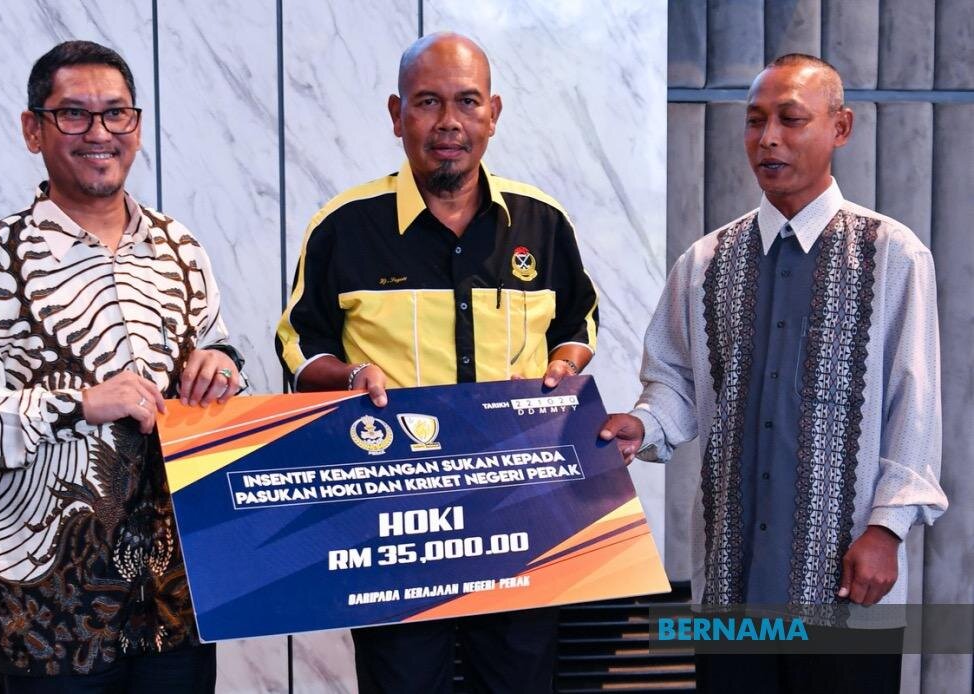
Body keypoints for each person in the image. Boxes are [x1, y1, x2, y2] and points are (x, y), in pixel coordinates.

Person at [601, 54, 947, 692]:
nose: (768, 139)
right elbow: (677, 384)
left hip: (845, 586)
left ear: (840, 127)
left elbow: (914, 403)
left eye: (791, 120)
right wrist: (642, 425)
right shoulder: (705, 261)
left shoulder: (892, 255)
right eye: (755, 121)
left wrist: (886, 529)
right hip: (731, 582)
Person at [0, 40, 244, 692]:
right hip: (47, 601)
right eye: (73, 114)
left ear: (137, 127)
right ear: (32, 129)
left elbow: (218, 351)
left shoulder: (181, 248)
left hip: (176, 593)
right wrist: (76, 405)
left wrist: (222, 363)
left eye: (116, 113)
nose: (99, 133)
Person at [276, 32, 599, 694]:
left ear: (493, 114)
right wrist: (349, 376)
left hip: (520, 513)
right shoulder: (344, 226)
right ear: (397, 115)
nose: (449, 122)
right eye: (427, 102)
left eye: (467, 102)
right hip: (395, 525)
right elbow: (300, 346)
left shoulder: (542, 223)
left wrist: (565, 365)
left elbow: (578, 321)